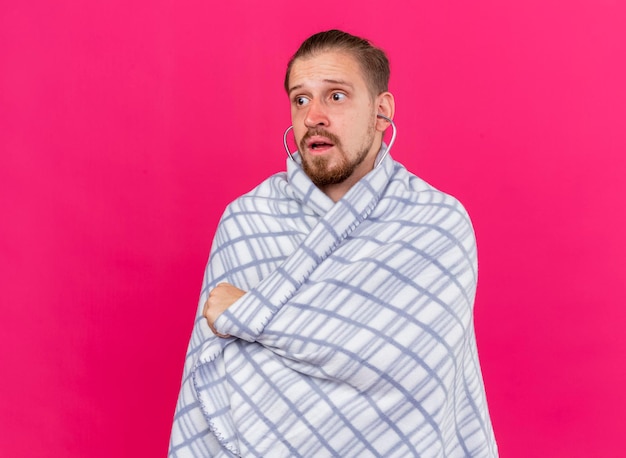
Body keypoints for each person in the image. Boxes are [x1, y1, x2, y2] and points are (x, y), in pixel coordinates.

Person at [169, 29, 498, 457]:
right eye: (300, 99)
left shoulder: (436, 222)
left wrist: (247, 314)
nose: (313, 116)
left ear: (382, 111)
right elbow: (217, 377)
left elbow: (398, 363)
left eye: (336, 96)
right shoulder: (247, 220)